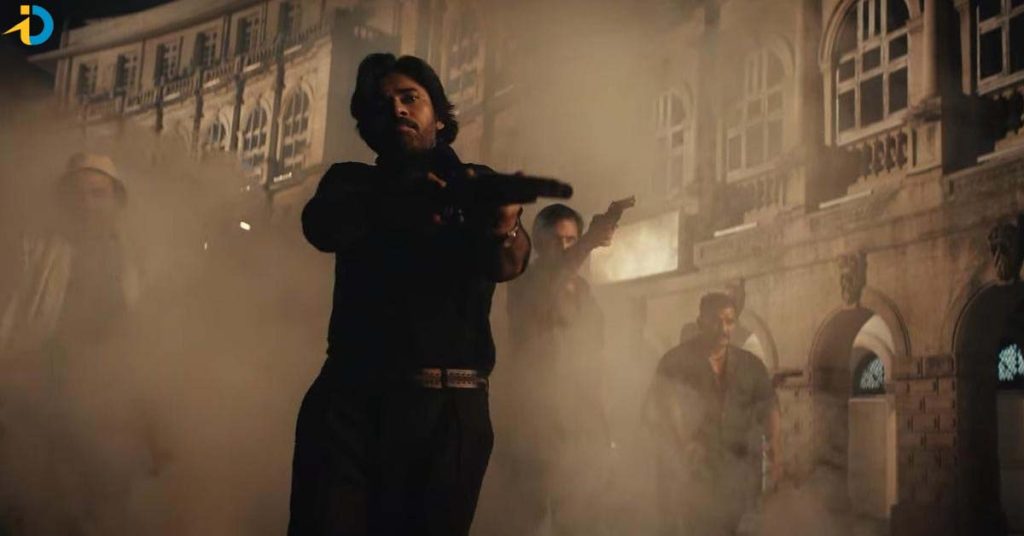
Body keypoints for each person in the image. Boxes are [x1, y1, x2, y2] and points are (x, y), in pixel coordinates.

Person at [288, 53, 530, 536]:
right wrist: (403, 196)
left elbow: (509, 263)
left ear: (439, 116)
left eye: (409, 97)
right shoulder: (350, 182)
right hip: (352, 408)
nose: (397, 109)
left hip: (449, 408)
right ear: (369, 126)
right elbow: (322, 226)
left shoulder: (475, 183)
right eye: (382, 105)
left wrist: (504, 224)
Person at [502, 202, 619, 534]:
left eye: (571, 240)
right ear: (540, 244)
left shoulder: (583, 291)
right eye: (557, 241)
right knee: (531, 519)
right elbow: (548, 288)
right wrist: (588, 242)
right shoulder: (523, 281)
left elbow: (594, 360)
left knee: (581, 518)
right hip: (537, 425)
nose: (565, 248)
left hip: (582, 423)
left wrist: (604, 430)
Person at [646, 292, 781, 536]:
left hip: (738, 473)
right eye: (716, 321)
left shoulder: (750, 365)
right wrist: (684, 443)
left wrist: (775, 452)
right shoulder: (675, 362)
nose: (723, 329)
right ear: (701, 323)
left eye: (729, 322)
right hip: (693, 474)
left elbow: (769, 405)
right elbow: (661, 406)